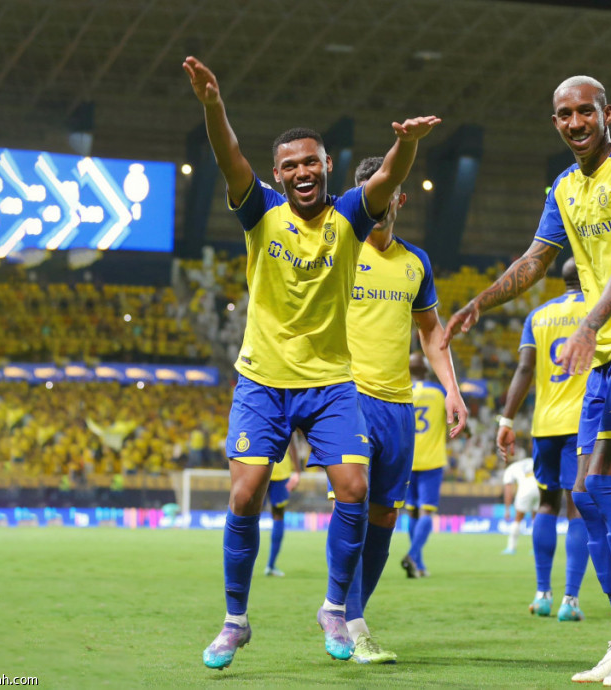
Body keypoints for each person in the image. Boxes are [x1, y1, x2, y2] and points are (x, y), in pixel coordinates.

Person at [183, 56, 441, 668]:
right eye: (291, 165)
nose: (302, 171)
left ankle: (333, 608)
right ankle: (235, 621)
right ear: (278, 174)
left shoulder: (349, 214)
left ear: (327, 166)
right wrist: (214, 107)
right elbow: (228, 156)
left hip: (329, 384)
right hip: (263, 381)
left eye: (312, 162)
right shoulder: (260, 211)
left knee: (354, 488)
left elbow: (386, 180)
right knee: (245, 495)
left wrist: (405, 144)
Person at [443, 75, 611, 687]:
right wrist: (482, 300)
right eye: (564, 114)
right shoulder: (562, 186)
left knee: (607, 484)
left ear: (608, 113)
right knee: (583, 494)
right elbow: (536, 259)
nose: (575, 122)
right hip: (608, 354)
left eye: (586, 111)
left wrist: (586, 326)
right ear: (555, 122)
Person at [339, 156, 468, 663]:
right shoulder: (338, 249)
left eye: (386, 192)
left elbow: (431, 332)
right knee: (351, 501)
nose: (378, 203)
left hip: (398, 404)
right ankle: (347, 620)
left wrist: (452, 389)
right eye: (369, 193)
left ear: (400, 198)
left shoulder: (416, 262)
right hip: (346, 396)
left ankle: (350, 615)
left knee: (385, 515)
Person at [496, 258, 590, 622]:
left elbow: (524, 368)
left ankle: (542, 594)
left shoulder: (538, 316)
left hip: (544, 425)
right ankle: (571, 600)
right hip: (583, 423)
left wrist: (507, 419)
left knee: (547, 506)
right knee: (578, 508)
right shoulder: (599, 311)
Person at [402, 353, 449, 579]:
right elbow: (455, 417)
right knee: (426, 511)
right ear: (427, 370)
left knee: (411, 512)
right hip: (432, 459)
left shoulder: (402, 391)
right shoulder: (439, 392)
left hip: (407, 460)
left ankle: (418, 565)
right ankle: (412, 555)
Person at [263, 440, 301, 577]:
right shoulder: (288, 422)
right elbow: (293, 444)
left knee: (251, 515)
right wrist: (298, 471)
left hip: (259, 466)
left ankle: (243, 566)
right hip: (280, 471)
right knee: (278, 515)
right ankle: (270, 565)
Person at [502, 455, 540, 556]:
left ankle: (511, 548)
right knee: (537, 520)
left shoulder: (510, 468)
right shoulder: (531, 460)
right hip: (539, 488)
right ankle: (537, 549)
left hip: (525, 490)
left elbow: (508, 490)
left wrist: (507, 509)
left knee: (518, 519)